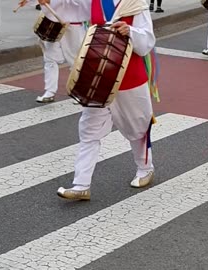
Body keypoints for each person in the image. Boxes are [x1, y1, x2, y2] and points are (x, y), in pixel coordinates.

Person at [36, 0, 157, 201]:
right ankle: (81, 184)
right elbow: (68, 8)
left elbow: (146, 43)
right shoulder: (94, 1)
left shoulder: (137, 4)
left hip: (129, 77)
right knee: (89, 130)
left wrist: (131, 31)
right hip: (97, 77)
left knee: (137, 126)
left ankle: (145, 168)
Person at [20, 0, 89, 103]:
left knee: (75, 60)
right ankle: (50, 91)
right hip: (52, 21)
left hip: (73, 23)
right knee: (49, 57)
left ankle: (81, 92)